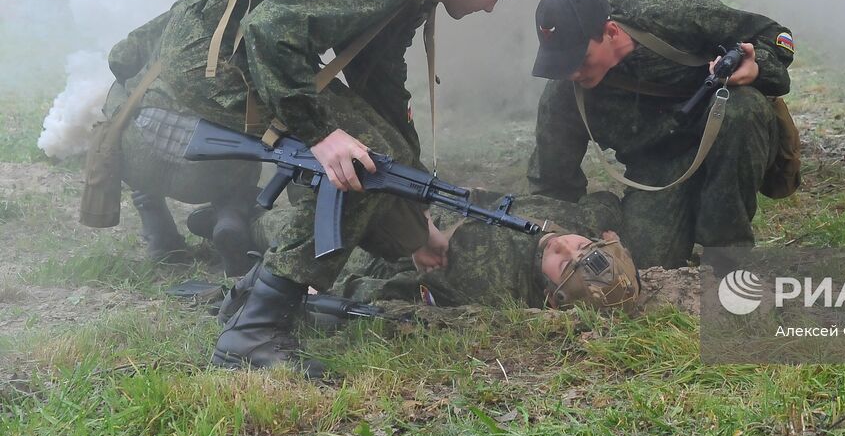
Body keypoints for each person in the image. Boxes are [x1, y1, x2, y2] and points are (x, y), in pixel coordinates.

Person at [91, 0, 542, 376]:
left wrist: (416, 211)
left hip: (236, 49)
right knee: (356, 158)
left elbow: (379, 85)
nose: (493, 7)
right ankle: (255, 329)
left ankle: (258, 293)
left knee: (379, 155)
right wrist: (322, 133)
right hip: (211, 58)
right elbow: (271, 31)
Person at [527, 0, 798, 269]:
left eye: (580, 59)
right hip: (658, 176)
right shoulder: (564, 94)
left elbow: (778, 38)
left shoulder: (666, 15)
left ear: (610, 32)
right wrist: (555, 241)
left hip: (724, 134)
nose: (573, 73)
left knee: (742, 108)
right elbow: (552, 184)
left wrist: (757, 67)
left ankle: (728, 256)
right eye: (562, 63)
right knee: (645, 263)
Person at [239, 191, 640, 313]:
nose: (565, 244)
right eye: (584, 244)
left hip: (380, 244)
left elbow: (399, 293)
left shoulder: (489, 288)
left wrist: (328, 296)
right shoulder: (567, 227)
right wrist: (610, 232)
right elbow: (599, 203)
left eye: (565, 264)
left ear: (554, 299)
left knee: (286, 229)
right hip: (415, 206)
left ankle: (238, 224)